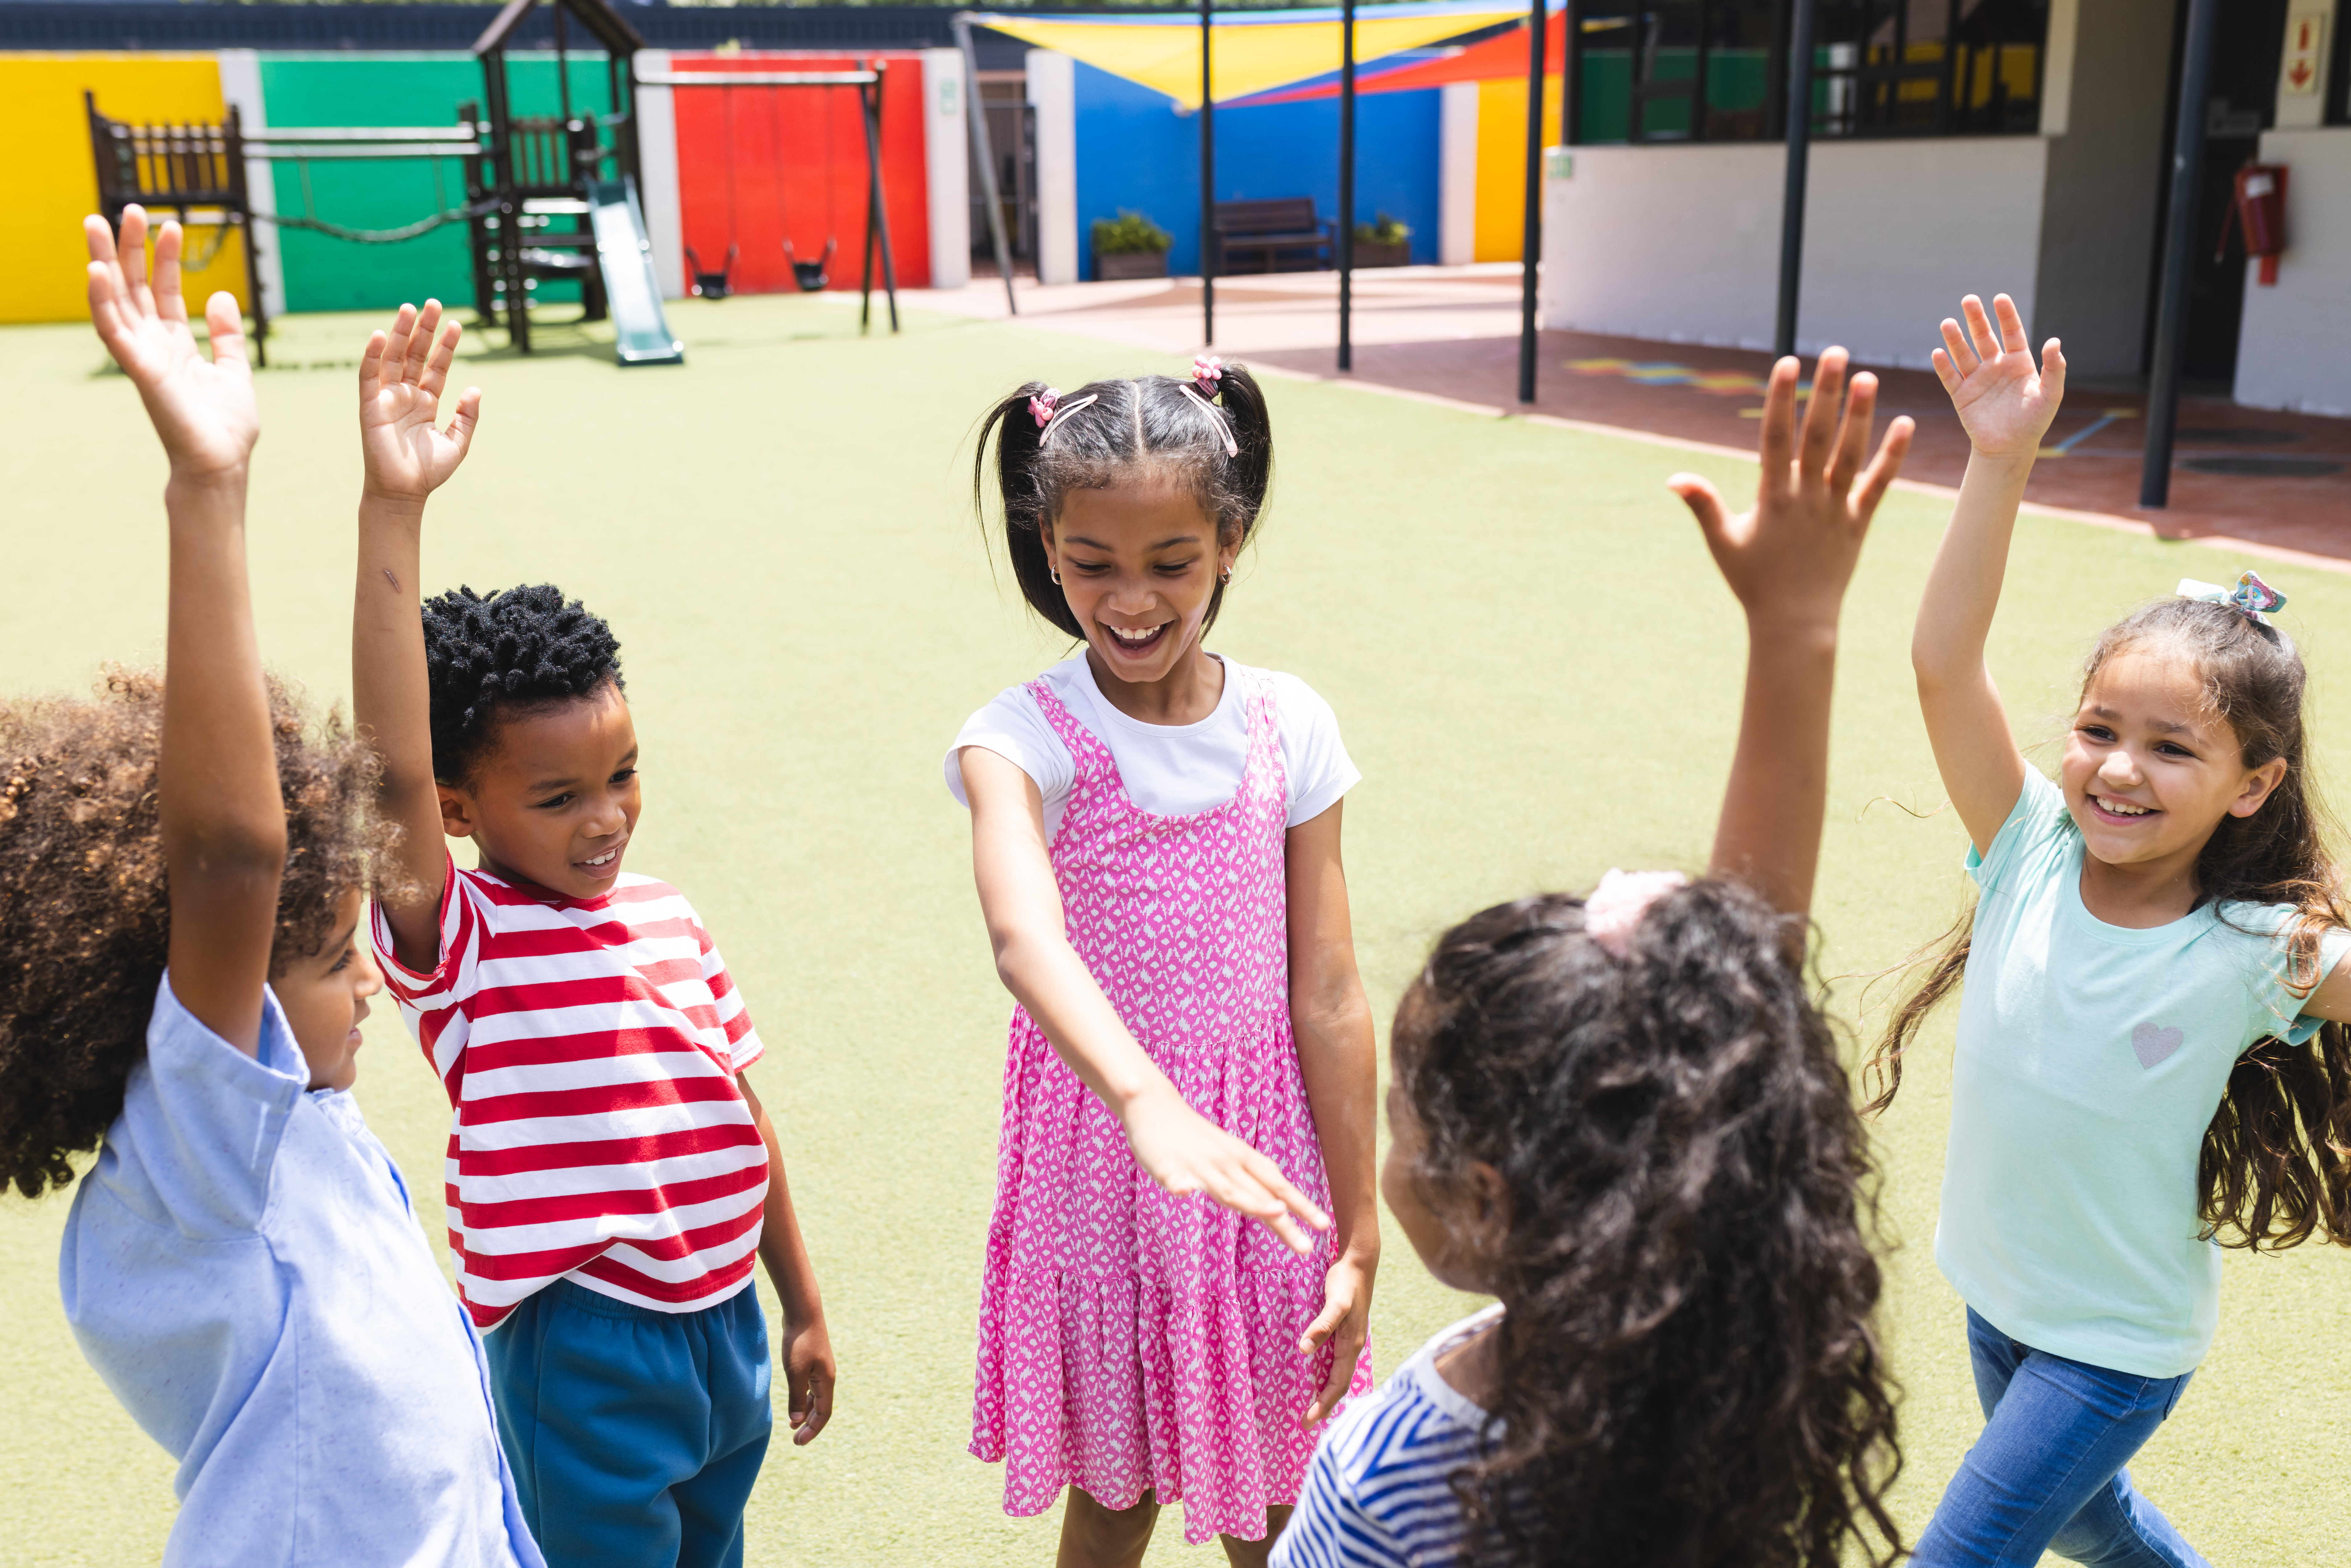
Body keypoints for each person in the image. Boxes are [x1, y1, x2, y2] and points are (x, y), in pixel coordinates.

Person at [1272, 347, 1916, 1568]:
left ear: (1486, 1200)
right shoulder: (1725, 1356)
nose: (1386, 1147)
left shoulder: (1401, 1476)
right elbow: (1727, 1015)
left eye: (1406, 1127)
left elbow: (1731, 1008)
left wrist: (1793, 627)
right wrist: (1798, 627)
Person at [0, 208, 542, 1567]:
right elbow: (233, 856)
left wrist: (393, 509)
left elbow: (389, 778)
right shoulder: (199, 1160)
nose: (370, 975)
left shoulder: (306, 1124)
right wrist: (208, 486)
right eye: (327, 955)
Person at [348, 298, 835, 1568]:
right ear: (460, 813)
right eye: (557, 797)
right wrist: (392, 508)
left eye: (621, 774)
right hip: (582, 1341)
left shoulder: (668, 915)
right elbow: (389, 768)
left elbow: (740, 1111)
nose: (604, 816)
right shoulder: (460, 937)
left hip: (725, 1318)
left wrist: (801, 1303)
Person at [1879, 293, 2351, 1568]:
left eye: (2169, 748)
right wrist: (1996, 460)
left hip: (2114, 1348)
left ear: (2252, 784)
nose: (2115, 771)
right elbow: (1939, 662)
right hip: (2000, 1304)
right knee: (2097, 1533)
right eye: (2098, 730)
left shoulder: (2260, 950)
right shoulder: (2027, 845)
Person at [953, 356, 1379, 1564]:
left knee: (1284, 1488)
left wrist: (1357, 1225)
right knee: (1118, 1489)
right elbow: (1020, 933)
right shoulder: (1018, 738)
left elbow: (1331, 990)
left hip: (1266, 1160)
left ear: (1229, 542)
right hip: (1102, 1160)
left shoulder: (1288, 723)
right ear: (1046, 547)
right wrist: (1141, 1096)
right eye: (1091, 564)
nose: (1129, 600)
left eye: (1169, 564)